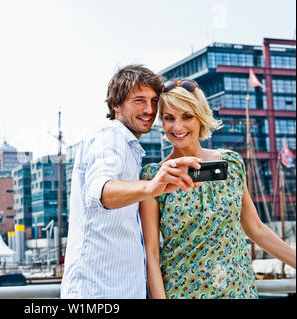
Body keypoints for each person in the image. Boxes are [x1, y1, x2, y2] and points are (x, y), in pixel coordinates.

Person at [140, 79, 296, 299]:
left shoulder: (231, 163)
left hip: (238, 289)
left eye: (187, 116)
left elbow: (256, 229)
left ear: (201, 116)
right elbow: (152, 254)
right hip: (183, 292)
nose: (177, 127)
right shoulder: (153, 176)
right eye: (168, 118)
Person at [60, 65, 202, 299]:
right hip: (97, 292)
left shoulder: (130, 148)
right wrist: (150, 187)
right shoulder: (110, 136)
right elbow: (99, 191)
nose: (149, 109)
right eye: (139, 100)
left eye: (154, 101)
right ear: (116, 104)